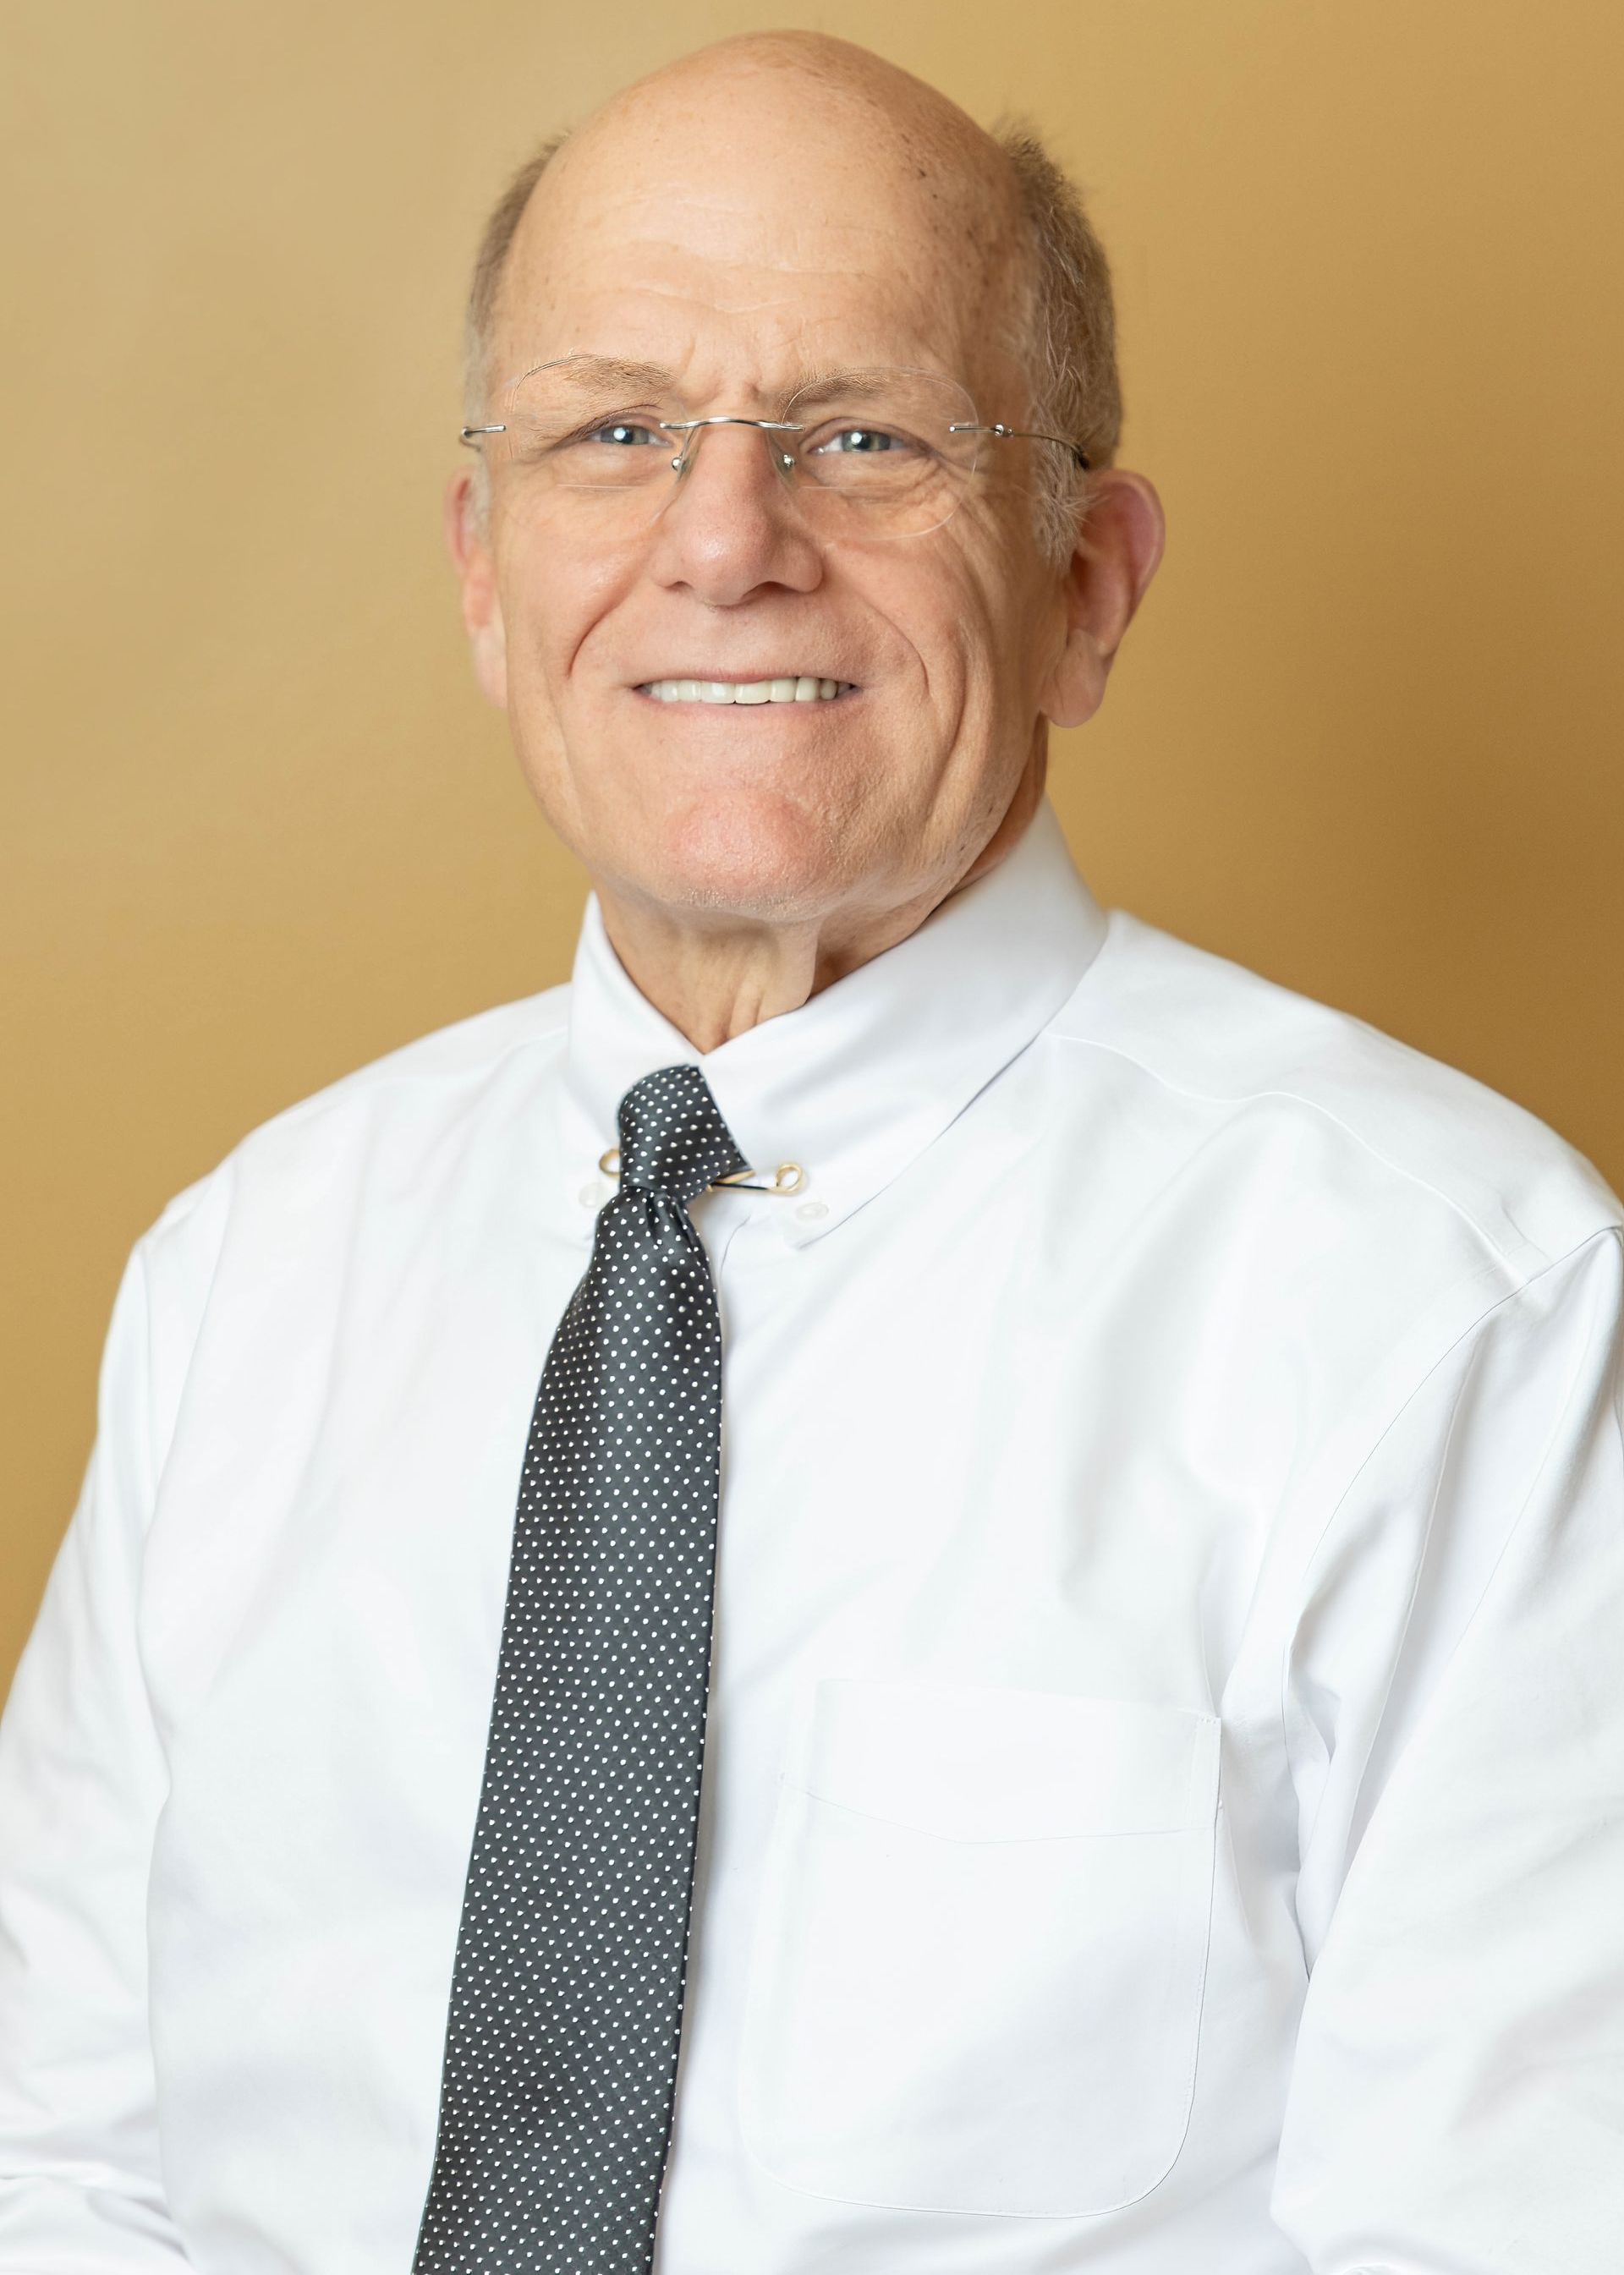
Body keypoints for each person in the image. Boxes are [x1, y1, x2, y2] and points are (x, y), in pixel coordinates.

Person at [1, 26, 1620, 2274]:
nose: (726, 542)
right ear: (485, 571)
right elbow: (60, 2176)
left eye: (864, 436)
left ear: (1088, 582)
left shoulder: (1462, 1311)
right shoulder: (243, 1278)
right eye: (616, 432)